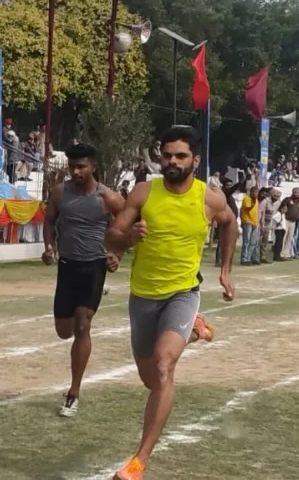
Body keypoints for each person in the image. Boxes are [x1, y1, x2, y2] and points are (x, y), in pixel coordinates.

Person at [105, 126, 237, 480]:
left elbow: (229, 223)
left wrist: (224, 270)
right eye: (167, 155)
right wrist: (128, 239)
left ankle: (138, 462)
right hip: (143, 296)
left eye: (180, 156)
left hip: (183, 292)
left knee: (164, 367)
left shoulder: (209, 198)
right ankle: (195, 331)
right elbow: (113, 238)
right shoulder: (144, 193)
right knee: (152, 380)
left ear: (195, 159)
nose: (172, 162)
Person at [42, 142, 124, 417]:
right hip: (67, 267)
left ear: (94, 167)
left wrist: (116, 254)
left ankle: (73, 393)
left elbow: (127, 226)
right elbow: (49, 220)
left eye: (81, 166)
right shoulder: (59, 193)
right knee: (63, 331)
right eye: (72, 167)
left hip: (93, 267)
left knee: (82, 325)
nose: (76, 172)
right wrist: (49, 247)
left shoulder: (108, 198)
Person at [239, 180, 259, 264]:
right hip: (247, 221)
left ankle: (249, 257)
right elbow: (248, 208)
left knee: (253, 242)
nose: (255, 193)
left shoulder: (256, 200)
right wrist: (253, 200)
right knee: (246, 241)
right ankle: (244, 258)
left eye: (256, 192)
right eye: (253, 191)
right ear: (250, 192)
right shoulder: (247, 199)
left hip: (255, 222)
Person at [3, 116, 21, 184]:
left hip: (12, 158)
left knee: (10, 172)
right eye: (8, 123)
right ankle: (13, 180)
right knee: (10, 172)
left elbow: (9, 141)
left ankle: (13, 182)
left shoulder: (13, 139)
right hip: (13, 158)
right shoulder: (5, 130)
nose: (9, 125)